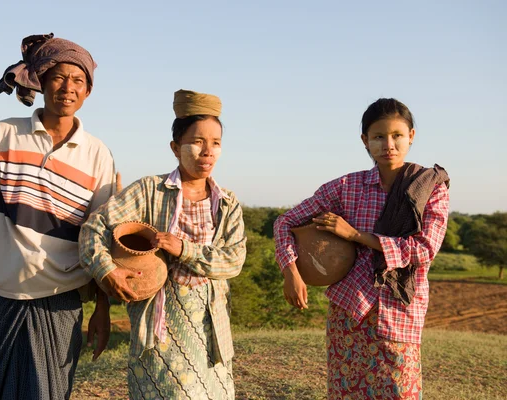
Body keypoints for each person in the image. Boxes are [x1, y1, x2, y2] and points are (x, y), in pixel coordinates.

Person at [0, 33, 116, 400]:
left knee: (48, 393)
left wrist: (102, 309)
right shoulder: (5, 133)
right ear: (42, 82)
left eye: (78, 81)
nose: (68, 88)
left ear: (88, 92)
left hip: (60, 298)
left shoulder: (98, 156)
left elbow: (101, 238)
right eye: (59, 77)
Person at [274, 98, 450, 399]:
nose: (388, 144)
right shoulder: (346, 187)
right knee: (347, 392)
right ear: (365, 141)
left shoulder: (429, 187)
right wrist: (290, 270)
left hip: (399, 310)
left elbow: (423, 250)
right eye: (379, 136)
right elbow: (284, 222)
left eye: (397, 135)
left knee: (399, 391)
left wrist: (356, 235)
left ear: (411, 136)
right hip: (348, 312)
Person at [79, 89, 246, 399]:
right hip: (160, 330)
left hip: (212, 330)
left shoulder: (227, 203)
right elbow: (94, 228)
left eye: (216, 143)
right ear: (175, 147)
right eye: (197, 142)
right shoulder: (148, 191)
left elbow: (233, 260)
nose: (207, 152)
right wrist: (106, 271)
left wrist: (183, 248)